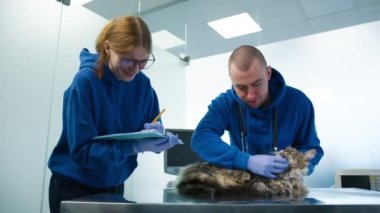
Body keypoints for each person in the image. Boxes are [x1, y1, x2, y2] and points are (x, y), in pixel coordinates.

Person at [48, 16, 179, 213]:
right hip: (74, 187)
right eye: (128, 60)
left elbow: (154, 123)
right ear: (108, 48)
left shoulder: (143, 86)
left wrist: (158, 136)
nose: (135, 70)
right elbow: (83, 153)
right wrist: (133, 146)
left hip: (115, 185)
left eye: (143, 61)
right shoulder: (85, 83)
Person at [192, 45, 323, 179]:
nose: (251, 96)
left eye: (257, 84)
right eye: (241, 87)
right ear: (231, 79)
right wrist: (246, 161)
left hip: (284, 187)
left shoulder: (299, 102)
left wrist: (292, 167)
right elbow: (201, 137)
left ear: (268, 74)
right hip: (243, 187)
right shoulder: (225, 103)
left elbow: (311, 149)